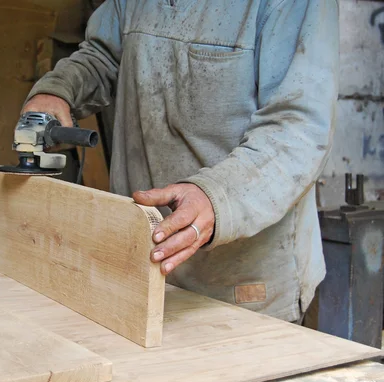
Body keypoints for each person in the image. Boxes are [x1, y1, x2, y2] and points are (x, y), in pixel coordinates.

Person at [21, 0, 339, 323]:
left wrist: (215, 199)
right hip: (143, 269)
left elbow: (297, 130)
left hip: (244, 292)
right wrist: (58, 91)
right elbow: (104, 54)